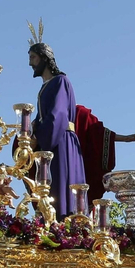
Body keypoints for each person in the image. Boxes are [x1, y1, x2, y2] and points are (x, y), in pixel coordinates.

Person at [28, 32, 86, 218]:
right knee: (49, 188)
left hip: (60, 141)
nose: (30, 63)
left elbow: (57, 115)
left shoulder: (60, 81)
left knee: (61, 188)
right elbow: (43, 117)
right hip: (53, 140)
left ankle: (64, 224)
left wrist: (38, 138)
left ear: (44, 58)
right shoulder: (46, 86)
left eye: (33, 57)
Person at [72, 105, 135, 202]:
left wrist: (126, 138)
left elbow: (99, 133)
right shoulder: (77, 112)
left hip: (78, 163)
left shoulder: (80, 112)